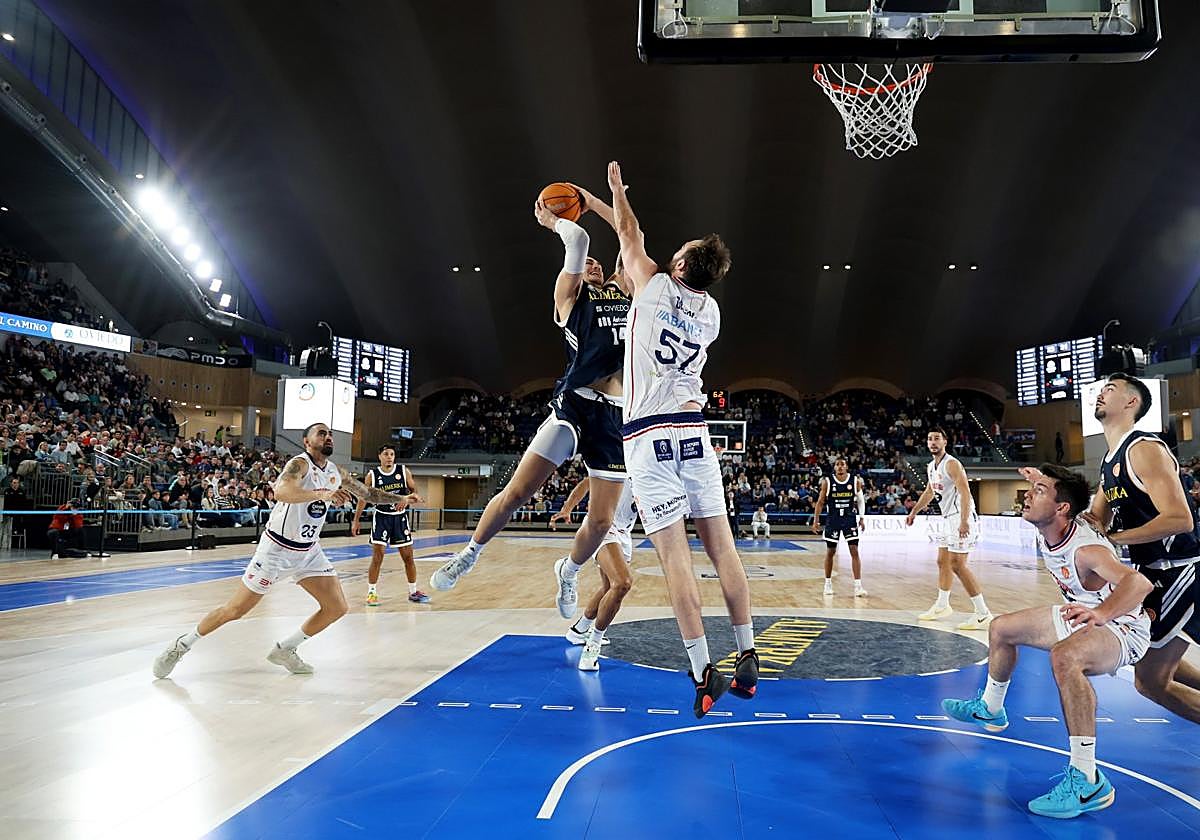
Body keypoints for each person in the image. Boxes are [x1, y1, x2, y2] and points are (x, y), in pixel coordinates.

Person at [431, 186, 632, 624]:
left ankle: (569, 571)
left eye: (602, 262)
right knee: (519, 491)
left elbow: (627, 233)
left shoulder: (627, 293)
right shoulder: (570, 300)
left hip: (614, 415)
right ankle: (470, 554)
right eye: (588, 265)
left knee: (600, 524)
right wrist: (553, 220)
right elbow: (578, 241)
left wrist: (595, 200)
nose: (594, 262)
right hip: (574, 405)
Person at [606, 160, 756, 717]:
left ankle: (702, 672)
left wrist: (617, 191)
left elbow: (629, 234)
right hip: (696, 436)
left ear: (679, 263)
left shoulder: (652, 286)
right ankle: (746, 654)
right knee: (724, 552)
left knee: (676, 561)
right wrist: (609, 208)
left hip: (648, 437)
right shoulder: (711, 312)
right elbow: (630, 238)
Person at [941, 464, 1151, 819]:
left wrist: (1103, 614)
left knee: (1064, 658)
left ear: (1061, 508)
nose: (1027, 495)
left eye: (1038, 492)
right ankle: (991, 707)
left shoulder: (1086, 551)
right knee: (1001, 629)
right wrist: (1042, 478)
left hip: (1122, 626)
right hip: (1081, 611)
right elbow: (1076, 492)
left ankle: (1087, 779)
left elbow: (1138, 584)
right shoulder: (1056, 522)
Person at [152, 423, 410, 679]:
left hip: (308, 552)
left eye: (330, 433)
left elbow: (369, 493)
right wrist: (324, 494)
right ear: (306, 441)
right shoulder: (300, 464)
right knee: (235, 610)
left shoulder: (335, 471)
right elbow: (282, 491)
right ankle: (181, 645)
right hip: (276, 550)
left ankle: (285, 649)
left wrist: (402, 499)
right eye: (321, 433)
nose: (328, 437)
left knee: (337, 607)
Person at [1085, 372, 1200, 722]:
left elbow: (1180, 519)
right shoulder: (1109, 461)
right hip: (1154, 574)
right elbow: (1094, 521)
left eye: (1110, 390)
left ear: (1131, 403)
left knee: (1150, 681)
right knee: (1153, 664)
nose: (1100, 394)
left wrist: (1115, 539)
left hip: (1181, 570)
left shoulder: (1144, 449)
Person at [906, 428, 993, 630]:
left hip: (960, 517)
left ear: (945, 442)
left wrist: (964, 521)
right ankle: (942, 605)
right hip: (948, 518)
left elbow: (965, 492)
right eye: (929, 439)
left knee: (957, 564)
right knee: (942, 561)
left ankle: (982, 613)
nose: (933, 442)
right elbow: (929, 492)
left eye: (937, 438)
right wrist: (914, 512)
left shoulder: (952, 463)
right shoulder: (931, 466)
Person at [552, 476, 637, 671]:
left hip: (624, 532)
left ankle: (579, 629)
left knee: (609, 588)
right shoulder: (620, 459)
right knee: (622, 583)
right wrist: (567, 508)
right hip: (603, 527)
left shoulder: (652, 464)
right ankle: (593, 645)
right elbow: (587, 482)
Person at [351, 444, 429, 605]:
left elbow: (415, 494)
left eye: (392, 454)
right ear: (379, 456)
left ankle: (413, 591)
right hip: (381, 517)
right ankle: (371, 593)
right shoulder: (373, 475)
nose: (389, 457)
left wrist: (406, 501)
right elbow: (363, 498)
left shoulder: (403, 471)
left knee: (408, 557)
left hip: (399, 519)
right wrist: (356, 520)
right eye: (386, 454)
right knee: (377, 557)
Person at [811, 457, 867, 597]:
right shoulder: (827, 482)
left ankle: (858, 586)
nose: (840, 467)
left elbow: (860, 500)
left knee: (854, 550)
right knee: (830, 552)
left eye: (842, 464)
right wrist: (816, 521)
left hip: (849, 519)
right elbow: (820, 502)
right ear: (834, 467)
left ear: (847, 466)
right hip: (833, 519)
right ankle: (828, 584)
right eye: (837, 465)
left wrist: (861, 518)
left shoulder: (855, 481)